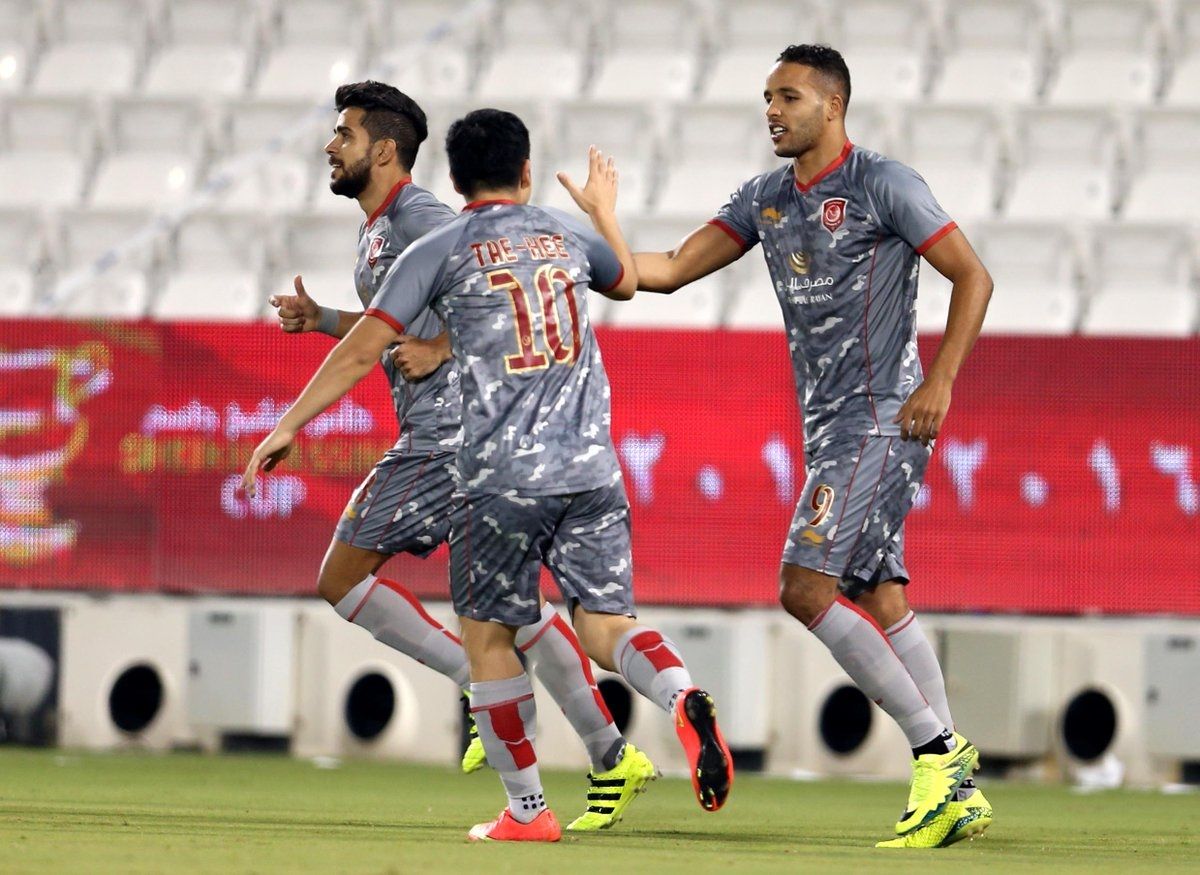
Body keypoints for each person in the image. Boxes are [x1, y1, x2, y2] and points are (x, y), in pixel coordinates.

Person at [243, 108, 734, 843]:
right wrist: (603, 212)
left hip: (498, 473)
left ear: (451, 177)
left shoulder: (437, 245)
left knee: (488, 638)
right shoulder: (565, 234)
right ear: (527, 171)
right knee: (604, 625)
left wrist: (289, 423)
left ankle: (528, 811)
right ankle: (680, 692)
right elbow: (631, 283)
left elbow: (359, 354)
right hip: (593, 467)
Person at [631, 45, 995, 848]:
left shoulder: (882, 184)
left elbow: (973, 276)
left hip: (882, 418)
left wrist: (938, 382)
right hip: (831, 424)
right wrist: (589, 245)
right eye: (767, 97)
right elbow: (665, 271)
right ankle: (958, 787)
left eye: (788, 97)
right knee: (878, 590)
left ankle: (938, 753)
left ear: (832, 106)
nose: (772, 110)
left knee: (804, 586)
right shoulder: (766, 198)